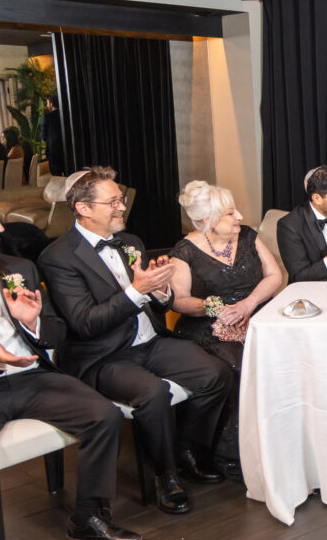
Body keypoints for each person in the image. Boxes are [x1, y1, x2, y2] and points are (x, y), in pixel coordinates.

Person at [39, 167, 233, 516]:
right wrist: (136, 291)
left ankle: (186, 449)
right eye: (112, 201)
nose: (121, 207)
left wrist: (160, 291)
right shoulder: (58, 258)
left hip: (150, 341)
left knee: (216, 372)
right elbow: (85, 323)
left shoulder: (131, 243)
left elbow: (153, 298)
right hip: (104, 355)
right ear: (83, 208)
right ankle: (166, 475)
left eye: (121, 199)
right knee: (152, 392)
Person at [0, 185, 142, 540]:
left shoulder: (19, 267)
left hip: (33, 377)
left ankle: (89, 519)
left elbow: (56, 330)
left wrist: (33, 323)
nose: (0, 228)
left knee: (104, 415)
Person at [170, 181, 283, 480]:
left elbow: (275, 276)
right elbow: (179, 301)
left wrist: (248, 304)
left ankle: (281, 444)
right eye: (230, 213)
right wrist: (213, 307)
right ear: (208, 220)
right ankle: (229, 454)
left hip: (256, 314)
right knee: (240, 364)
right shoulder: (184, 252)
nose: (239, 216)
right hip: (207, 325)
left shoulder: (247, 236)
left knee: (284, 357)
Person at [41, 95, 66, 176]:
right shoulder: (66, 114)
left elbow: (43, 136)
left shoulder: (47, 116)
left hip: (53, 151)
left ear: (51, 104)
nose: (47, 105)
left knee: (56, 176)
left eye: (47, 103)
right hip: (67, 149)